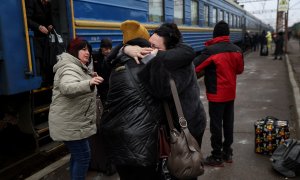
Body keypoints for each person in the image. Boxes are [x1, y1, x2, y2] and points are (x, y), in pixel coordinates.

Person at [100, 20, 162, 180]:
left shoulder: (114, 67)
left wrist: (124, 48)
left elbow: (106, 62)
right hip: (143, 137)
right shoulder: (152, 64)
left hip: (115, 135)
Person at [48, 37, 104, 180]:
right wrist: (89, 83)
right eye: (83, 49)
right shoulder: (69, 67)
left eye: (89, 50)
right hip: (71, 124)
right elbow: (67, 87)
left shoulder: (77, 67)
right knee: (84, 157)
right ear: (74, 51)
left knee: (78, 156)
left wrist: (89, 77)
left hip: (73, 123)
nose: (88, 53)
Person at [193, 20, 244, 167]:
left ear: (215, 33)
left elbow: (195, 68)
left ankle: (216, 156)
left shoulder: (211, 50)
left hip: (216, 94)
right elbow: (239, 70)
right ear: (228, 34)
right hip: (230, 93)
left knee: (216, 126)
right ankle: (227, 153)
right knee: (228, 123)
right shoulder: (237, 50)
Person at [26, 0, 53, 83]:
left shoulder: (47, 5)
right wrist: (39, 27)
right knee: (38, 58)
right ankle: (38, 80)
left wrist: (49, 26)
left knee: (46, 59)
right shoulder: (32, 2)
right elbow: (26, 19)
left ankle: (46, 80)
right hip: (34, 36)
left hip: (45, 37)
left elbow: (49, 20)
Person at [93, 38, 113, 104]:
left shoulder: (113, 56)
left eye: (110, 49)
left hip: (110, 85)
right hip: (100, 85)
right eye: (106, 49)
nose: (108, 51)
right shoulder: (95, 56)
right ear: (101, 47)